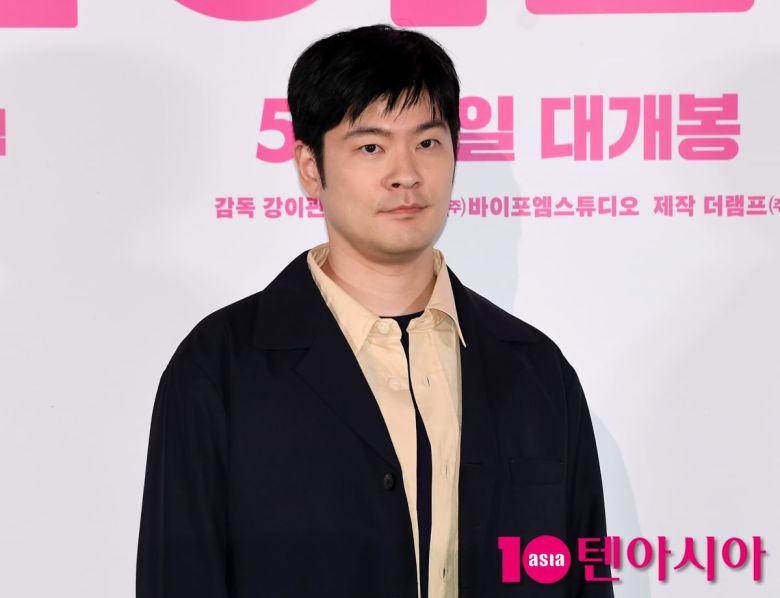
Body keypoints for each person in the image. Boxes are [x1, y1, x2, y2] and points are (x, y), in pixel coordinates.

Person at [136, 24, 614, 598]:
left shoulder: (537, 370)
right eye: (371, 147)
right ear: (310, 168)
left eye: (428, 143)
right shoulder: (219, 369)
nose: (405, 173)